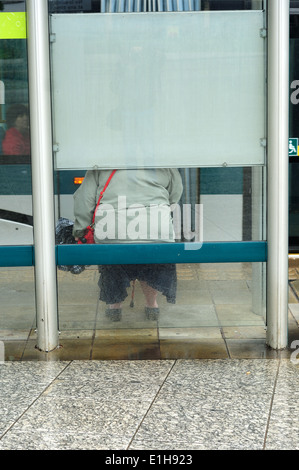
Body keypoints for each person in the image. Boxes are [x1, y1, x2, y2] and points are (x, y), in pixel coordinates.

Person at [72, 168, 183, 321]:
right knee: (151, 264)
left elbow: (84, 200)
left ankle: (114, 309)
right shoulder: (162, 161)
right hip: (156, 228)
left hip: (111, 229)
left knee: (113, 266)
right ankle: (152, 306)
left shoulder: (101, 162)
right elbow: (176, 192)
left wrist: (80, 229)